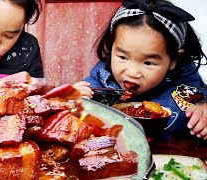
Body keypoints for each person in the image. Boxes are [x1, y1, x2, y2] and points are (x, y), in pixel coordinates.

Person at [74, 0, 207, 139]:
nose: (132, 73)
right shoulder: (98, 82)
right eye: (123, 57)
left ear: (174, 60)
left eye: (148, 63)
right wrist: (71, 102)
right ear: (110, 48)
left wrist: (203, 111)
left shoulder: (189, 91)